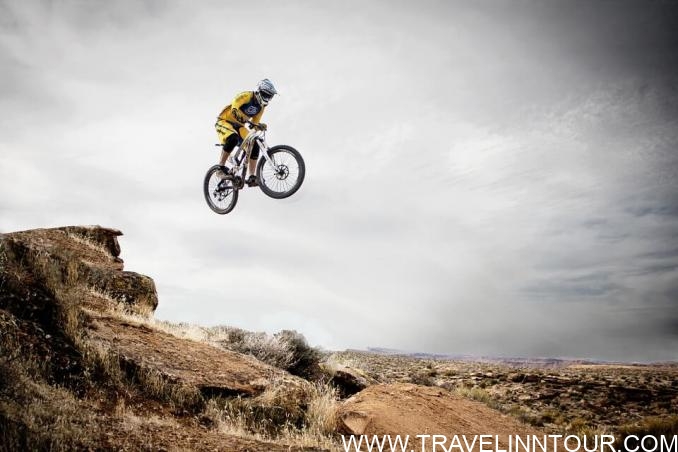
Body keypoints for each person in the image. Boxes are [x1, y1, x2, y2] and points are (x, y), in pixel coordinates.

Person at [215, 79, 277, 187]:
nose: (267, 98)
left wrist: (259, 126)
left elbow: (254, 125)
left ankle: (252, 177)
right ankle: (219, 168)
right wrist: (238, 114)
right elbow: (235, 105)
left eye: (269, 96)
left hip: (240, 126)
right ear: (258, 91)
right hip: (225, 121)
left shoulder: (261, 108)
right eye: (265, 94)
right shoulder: (247, 96)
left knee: (254, 144)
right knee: (233, 138)